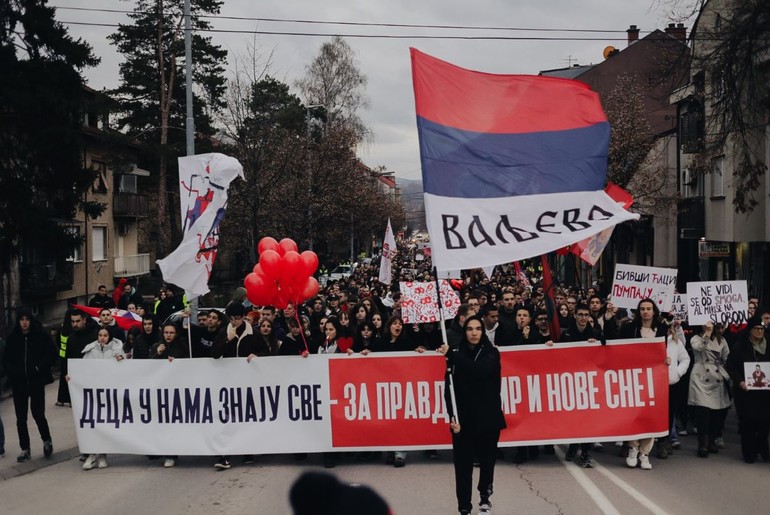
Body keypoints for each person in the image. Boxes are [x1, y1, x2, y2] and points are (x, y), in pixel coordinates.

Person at [439, 315, 505, 515]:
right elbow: (448, 388)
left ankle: (485, 496)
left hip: (487, 418)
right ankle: (464, 507)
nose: (474, 332)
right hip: (463, 419)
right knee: (463, 467)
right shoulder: (455, 353)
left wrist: (452, 354)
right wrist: (452, 416)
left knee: (486, 463)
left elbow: (480, 371)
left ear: (483, 331)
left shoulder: (492, 353)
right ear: (464, 331)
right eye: (470, 329)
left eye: (478, 328)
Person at [615, 298, 671, 470]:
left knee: (651, 415)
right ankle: (633, 448)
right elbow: (616, 347)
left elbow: (663, 351)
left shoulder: (662, 329)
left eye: (648, 308)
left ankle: (645, 453)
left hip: (653, 379)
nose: (645, 311)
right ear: (638, 311)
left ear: (654, 311)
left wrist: (666, 360)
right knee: (634, 414)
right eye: (642, 309)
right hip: (634, 378)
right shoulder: (629, 328)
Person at [211, 302, 266, 470]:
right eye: (231, 318)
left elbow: (266, 352)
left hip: (247, 383)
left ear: (243, 317)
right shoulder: (224, 332)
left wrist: (257, 355)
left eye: (237, 318)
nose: (234, 322)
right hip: (227, 383)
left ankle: (247, 450)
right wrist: (227, 340)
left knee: (246, 417)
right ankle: (224, 455)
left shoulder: (253, 334)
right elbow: (214, 354)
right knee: (227, 418)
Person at [3, 309, 55, 462]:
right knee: (21, 417)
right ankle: (25, 449)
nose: (24, 323)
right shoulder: (13, 338)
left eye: (27, 319)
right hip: (19, 383)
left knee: (38, 413)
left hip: (36, 381)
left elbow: (52, 354)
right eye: (22, 320)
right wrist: (13, 371)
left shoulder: (40, 335)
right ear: (18, 321)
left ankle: (46, 440)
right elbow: (7, 360)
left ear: (31, 320)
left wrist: (38, 367)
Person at [79, 327, 125, 470]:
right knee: (93, 424)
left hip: (109, 393)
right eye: (100, 335)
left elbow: (125, 370)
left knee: (105, 424)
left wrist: (121, 360)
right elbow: (82, 370)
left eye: (105, 335)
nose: (103, 337)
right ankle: (92, 455)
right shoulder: (90, 351)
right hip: (93, 393)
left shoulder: (117, 350)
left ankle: (103, 455)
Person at [727, 317, 770, 463]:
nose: (759, 331)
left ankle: (762, 447)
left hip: (765, 394)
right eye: (756, 328)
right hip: (746, 393)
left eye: (762, 329)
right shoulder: (740, 346)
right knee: (748, 423)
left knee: (764, 423)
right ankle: (749, 452)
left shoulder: (768, 346)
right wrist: (740, 382)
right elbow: (731, 366)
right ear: (750, 330)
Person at [688, 321, 731, 458]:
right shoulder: (696, 338)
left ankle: (712, 439)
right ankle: (703, 443)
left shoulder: (722, 340)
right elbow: (699, 348)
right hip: (701, 377)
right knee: (703, 412)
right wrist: (706, 333)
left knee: (717, 412)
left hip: (717, 376)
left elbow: (726, 357)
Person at [150, 322, 189, 468]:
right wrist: (157, 354)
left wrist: (177, 362)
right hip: (160, 390)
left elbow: (189, 364)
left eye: (171, 333)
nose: (168, 335)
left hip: (177, 390)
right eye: (166, 332)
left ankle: (172, 454)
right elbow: (148, 366)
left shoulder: (182, 346)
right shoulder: (157, 346)